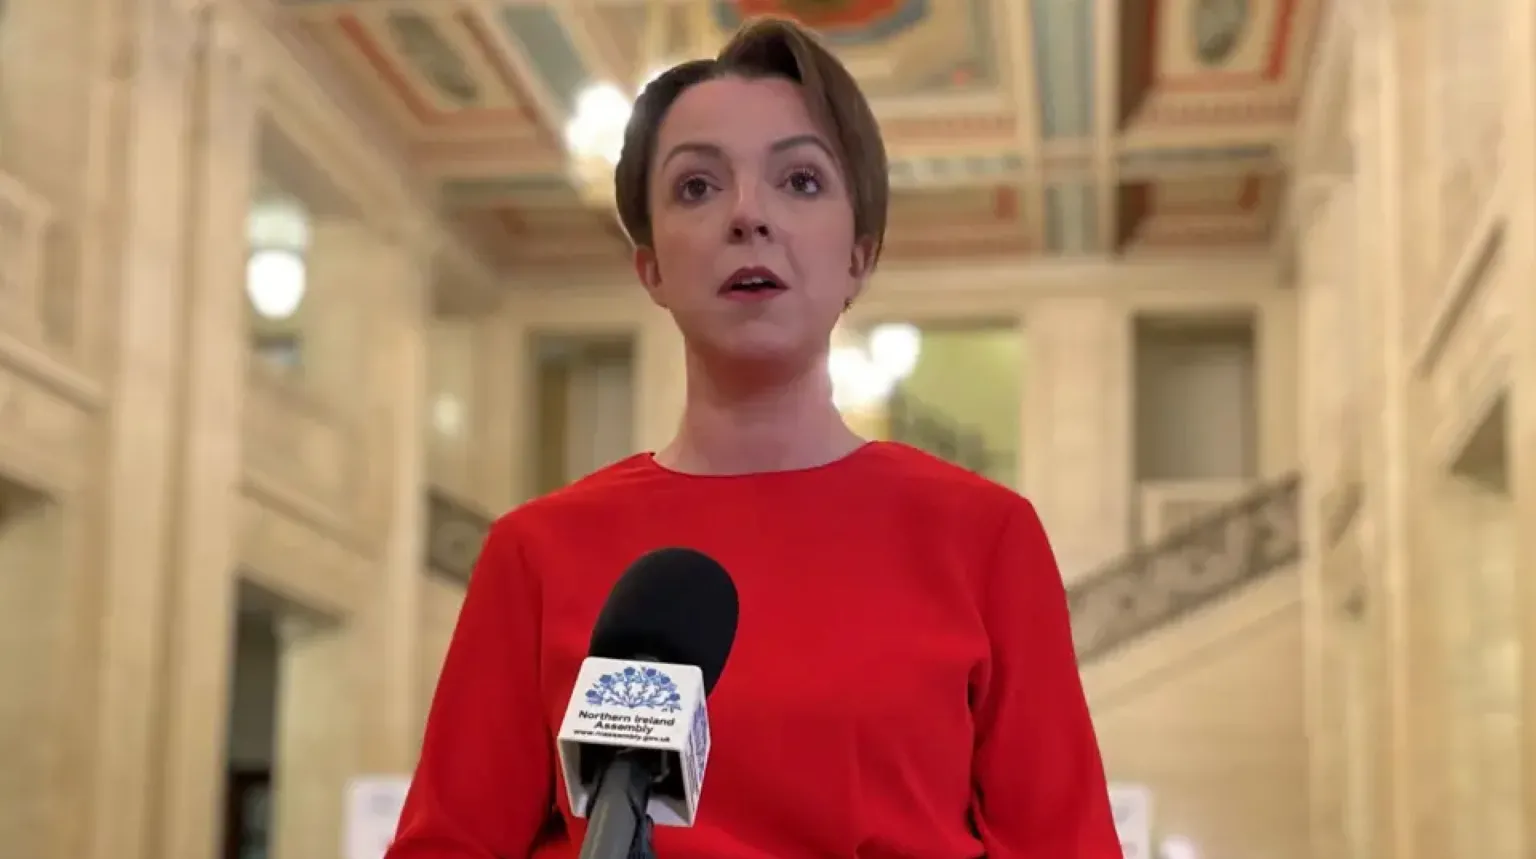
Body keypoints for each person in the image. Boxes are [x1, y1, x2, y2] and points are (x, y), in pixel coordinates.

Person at [388, 15, 1120, 859]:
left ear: (859, 254)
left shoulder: (985, 539)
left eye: (800, 181)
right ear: (651, 266)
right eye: (697, 187)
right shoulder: (536, 554)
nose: (748, 215)